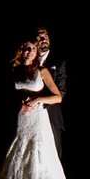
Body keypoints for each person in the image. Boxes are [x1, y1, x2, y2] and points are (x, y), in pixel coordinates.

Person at [0, 40, 75, 179]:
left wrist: (37, 99)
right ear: (20, 50)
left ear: (37, 53)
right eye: (26, 48)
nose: (29, 51)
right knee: (17, 156)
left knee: (38, 156)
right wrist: (17, 103)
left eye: (33, 49)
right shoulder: (13, 71)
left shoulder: (42, 71)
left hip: (37, 119)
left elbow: (57, 96)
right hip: (19, 119)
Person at [34, 27, 67, 161]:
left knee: (53, 158)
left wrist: (38, 102)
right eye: (40, 37)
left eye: (46, 37)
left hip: (51, 116)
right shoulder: (28, 58)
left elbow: (61, 92)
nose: (44, 40)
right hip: (29, 116)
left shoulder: (58, 62)